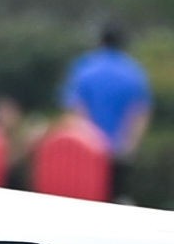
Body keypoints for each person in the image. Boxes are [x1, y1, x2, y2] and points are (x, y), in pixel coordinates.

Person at [60, 26, 152, 170]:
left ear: (100, 42)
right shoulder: (134, 71)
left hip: (87, 148)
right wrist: (130, 146)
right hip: (119, 151)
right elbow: (140, 113)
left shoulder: (84, 68)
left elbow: (76, 109)